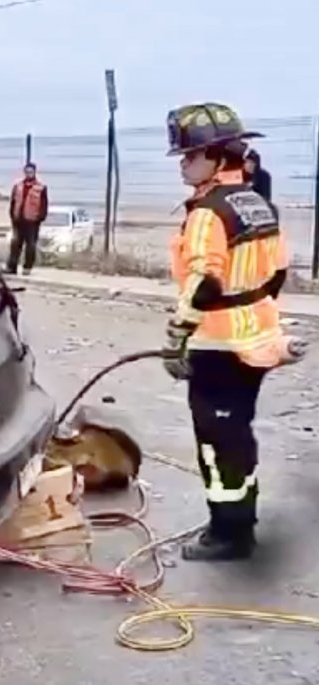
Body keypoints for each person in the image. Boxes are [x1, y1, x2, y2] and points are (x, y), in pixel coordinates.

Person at [161, 102, 296, 561]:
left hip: (218, 346)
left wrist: (178, 335)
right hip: (256, 343)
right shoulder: (258, 204)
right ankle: (238, 519)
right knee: (238, 433)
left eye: (190, 155)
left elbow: (204, 281)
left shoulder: (207, 214)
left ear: (218, 157)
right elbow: (277, 272)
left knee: (218, 444)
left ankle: (229, 534)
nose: (182, 162)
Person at [7, 162, 49, 275]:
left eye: (31, 172)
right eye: (27, 172)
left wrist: (39, 218)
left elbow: (44, 205)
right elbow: (13, 202)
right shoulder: (18, 186)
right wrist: (12, 215)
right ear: (24, 172)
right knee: (15, 244)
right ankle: (12, 267)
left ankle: (27, 267)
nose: (28, 174)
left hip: (32, 221)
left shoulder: (40, 188)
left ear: (34, 172)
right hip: (18, 220)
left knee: (30, 245)